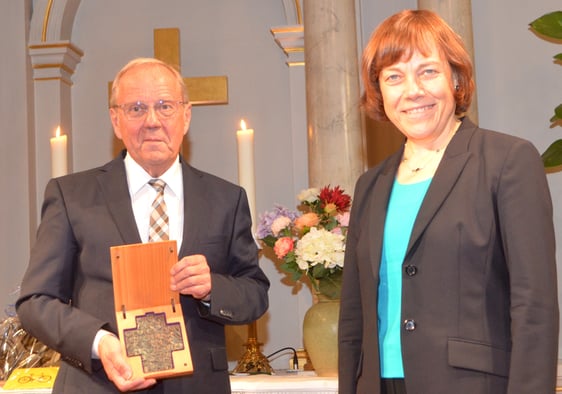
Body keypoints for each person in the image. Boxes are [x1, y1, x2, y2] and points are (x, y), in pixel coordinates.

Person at [16, 57, 270, 393]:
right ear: (116, 121)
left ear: (186, 115)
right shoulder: (71, 196)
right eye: (136, 108)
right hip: (98, 384)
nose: (152, 121)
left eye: (165, 106)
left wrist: (212, 287)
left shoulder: (226, 199)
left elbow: (254, 293)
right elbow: (35, 301)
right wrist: (99, 342)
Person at [338, 9, 559, 394]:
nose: (412, 91)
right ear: (379, 92)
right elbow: (353, 316)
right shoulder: (370, 185)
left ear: (455, 79)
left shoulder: (507, 161)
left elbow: (534, 307)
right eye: (394, 77)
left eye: (427, 71)